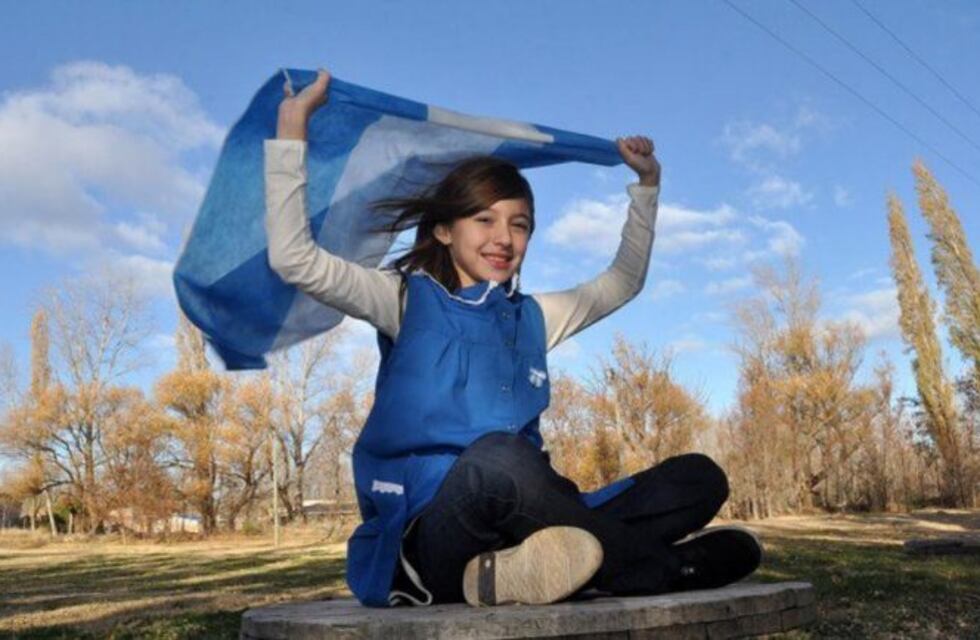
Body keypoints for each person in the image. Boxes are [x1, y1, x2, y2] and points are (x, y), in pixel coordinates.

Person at [266, 69, 762, 608]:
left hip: (532, 514)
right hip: (435, 533)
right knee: (497, 459)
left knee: (698, 478)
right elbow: (294, 258)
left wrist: (647, 187)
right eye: (484, 220)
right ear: (443, 230)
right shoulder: (401, 299)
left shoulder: (534, 317)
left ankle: (534, 570)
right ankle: (665, 569)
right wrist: (292, 128)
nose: (503, 238)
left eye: (519, 224)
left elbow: (621, 282)